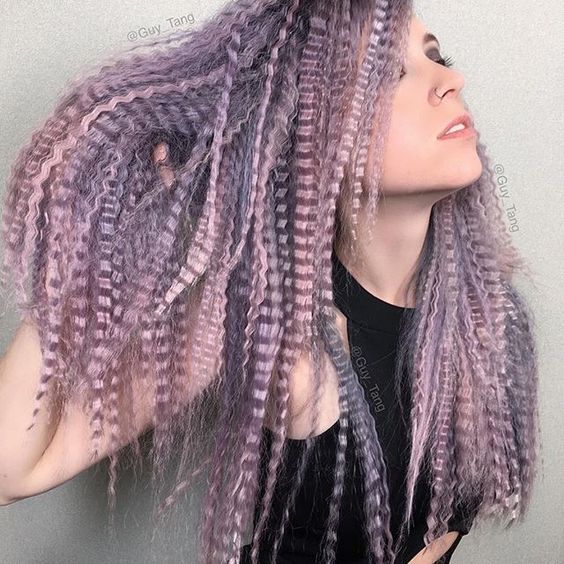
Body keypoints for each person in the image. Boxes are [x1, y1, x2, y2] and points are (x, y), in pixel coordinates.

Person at [0, 1, 539, 563]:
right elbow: (10, 468)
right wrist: (89, 245)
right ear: (311, 139)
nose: (451, 80)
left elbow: (445, 520)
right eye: (390, 74)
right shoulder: (282, 329)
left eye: (438, 58)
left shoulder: (487, 314)